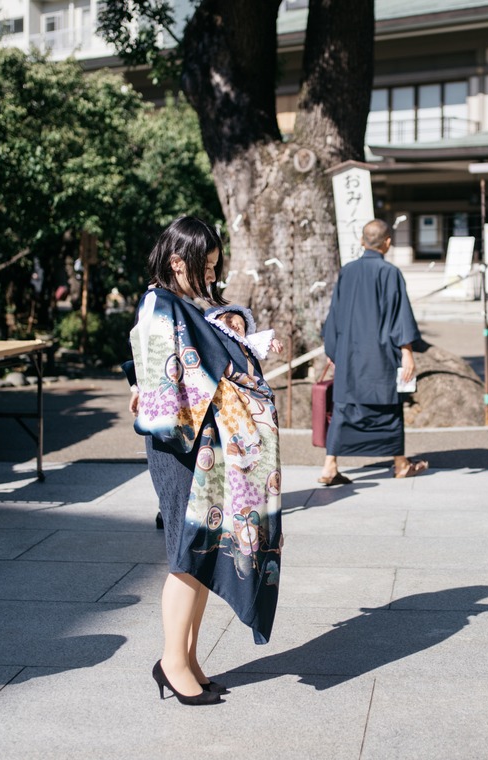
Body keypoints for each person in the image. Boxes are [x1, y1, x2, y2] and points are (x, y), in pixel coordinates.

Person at [127, 216, 283, 706]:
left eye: (215, 265)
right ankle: (173, 662)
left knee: (198, 552)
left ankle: (187, 659)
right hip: (180, 444)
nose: (212, 275)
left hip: (198, 442)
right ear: (178, 262)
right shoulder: (160, 303)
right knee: (186, 553)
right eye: (206, 266)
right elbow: (162, 375)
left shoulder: (180, 303)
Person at [318, 218, 427, 485]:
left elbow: (335, 314)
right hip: (380, 354)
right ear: (387, 243)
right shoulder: (390, 272)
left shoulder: (347, 271)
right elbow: (400, 315)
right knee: (389, 406)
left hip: (349, 353)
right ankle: (400, 464)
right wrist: (407, 352)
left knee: (344, 408)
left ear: (362, 241)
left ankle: (330, 466)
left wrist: (333, 349)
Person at [204, 304, 284, 375]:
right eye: (227, 328)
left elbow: (258, 339)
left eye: (230, 319)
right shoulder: (222, 346)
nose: (232, 325)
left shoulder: (247, 341)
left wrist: (271, 341)